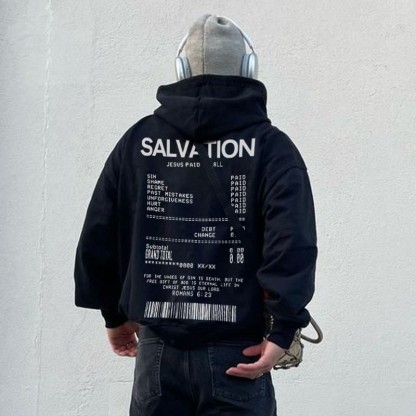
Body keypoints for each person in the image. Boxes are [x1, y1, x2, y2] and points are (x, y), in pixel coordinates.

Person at [74, 14, 318, 416]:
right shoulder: (271, 148)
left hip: (157, 354)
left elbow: (99, 232)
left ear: (181, 69)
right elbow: (292, 241)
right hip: (237, 354)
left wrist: (113, 316)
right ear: (248, 68)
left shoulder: (138, 142)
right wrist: (285, 327)